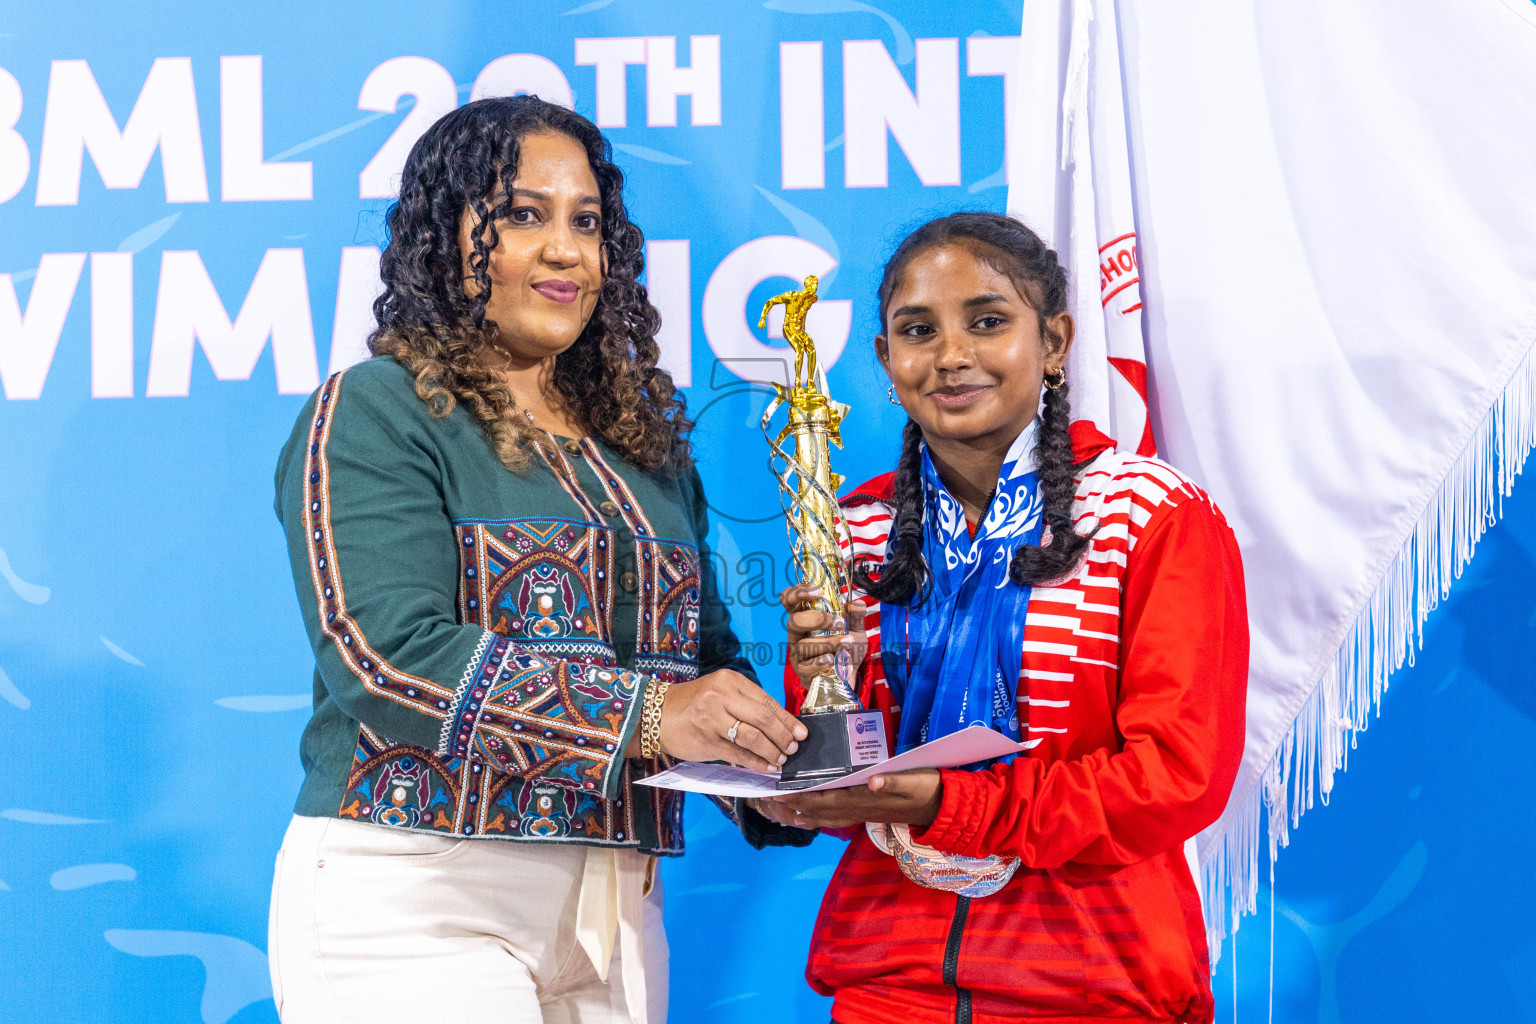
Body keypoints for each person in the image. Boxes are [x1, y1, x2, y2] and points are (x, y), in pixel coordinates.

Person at [267, 95, 810, 1024]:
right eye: (524, 215)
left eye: (587, 222)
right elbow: (383, 657)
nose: (566, 250)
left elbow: (699, 660)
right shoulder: (376, 409)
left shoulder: (643, 443)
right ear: (446, 237)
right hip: (421, 899)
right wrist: (651, 714)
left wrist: (776, 775)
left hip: (619, 913)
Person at [754, 212, 1249, 1024]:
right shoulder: (852, 529)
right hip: (889, 987)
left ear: (1054, 341)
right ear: (885, 359)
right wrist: (812, 733)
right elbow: (849, 780)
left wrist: (951, 805)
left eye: (987, 321)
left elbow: (1175, 778)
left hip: (1092, 986)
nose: (951, 355)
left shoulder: (1151, 516)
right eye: (919, 330)